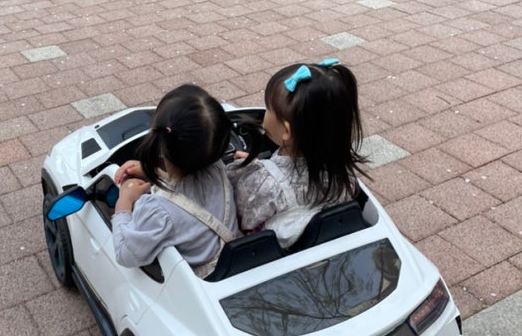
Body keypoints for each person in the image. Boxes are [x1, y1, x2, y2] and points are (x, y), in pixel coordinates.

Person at [227, 59, 367, 248]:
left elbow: (244, 218)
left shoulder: (264, 184)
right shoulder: (343, 176)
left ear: (286, 131)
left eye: (268, 108)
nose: (265, 113)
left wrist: (252, 170)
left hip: (270, 254)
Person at [112, 84, 238, 276]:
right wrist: (155, 173)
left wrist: (124, 202)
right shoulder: (218, 169)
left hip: (196, 284)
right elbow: (188, 192)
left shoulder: (157, 211)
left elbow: (125, 255)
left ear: (160, 143)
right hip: (231, 264)